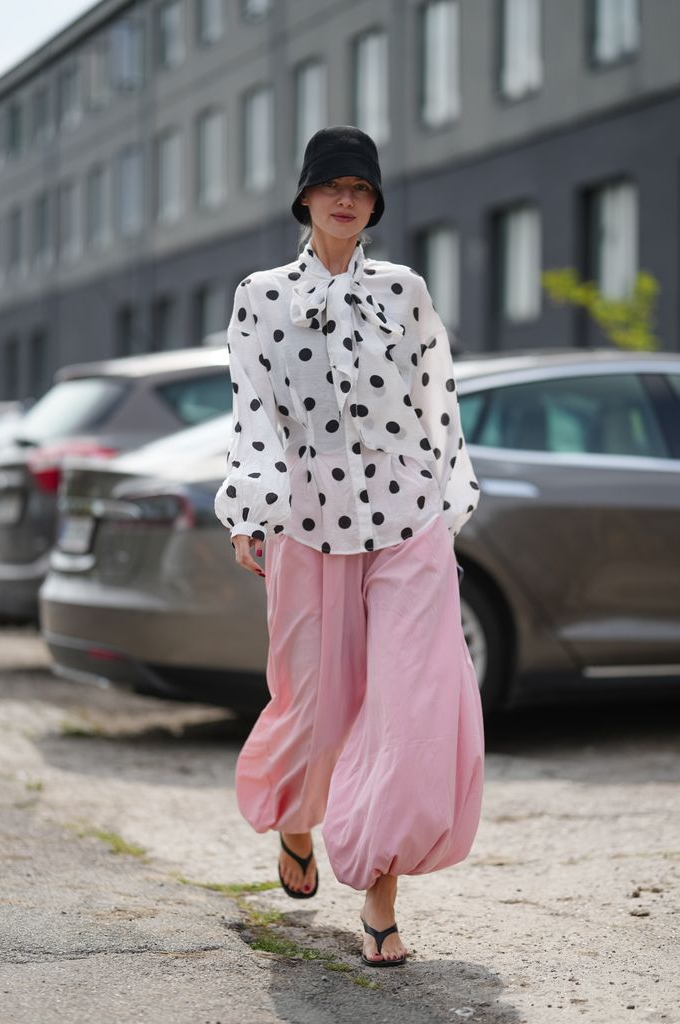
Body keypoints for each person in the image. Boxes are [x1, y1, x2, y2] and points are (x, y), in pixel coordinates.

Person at [214, 125, 484, 967]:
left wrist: (448, 496)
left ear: (374, 204)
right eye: (332, 185)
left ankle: (379, 899)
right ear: (305, 198)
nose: (346, 199)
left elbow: (439, 396)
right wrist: (252, 508)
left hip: (407, 518)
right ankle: (297, 821)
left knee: (411, 706)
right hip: (309, 523)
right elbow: (252, 411)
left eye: (360, 189)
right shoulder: (261, 296)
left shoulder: (404, 291)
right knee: (315, 706)